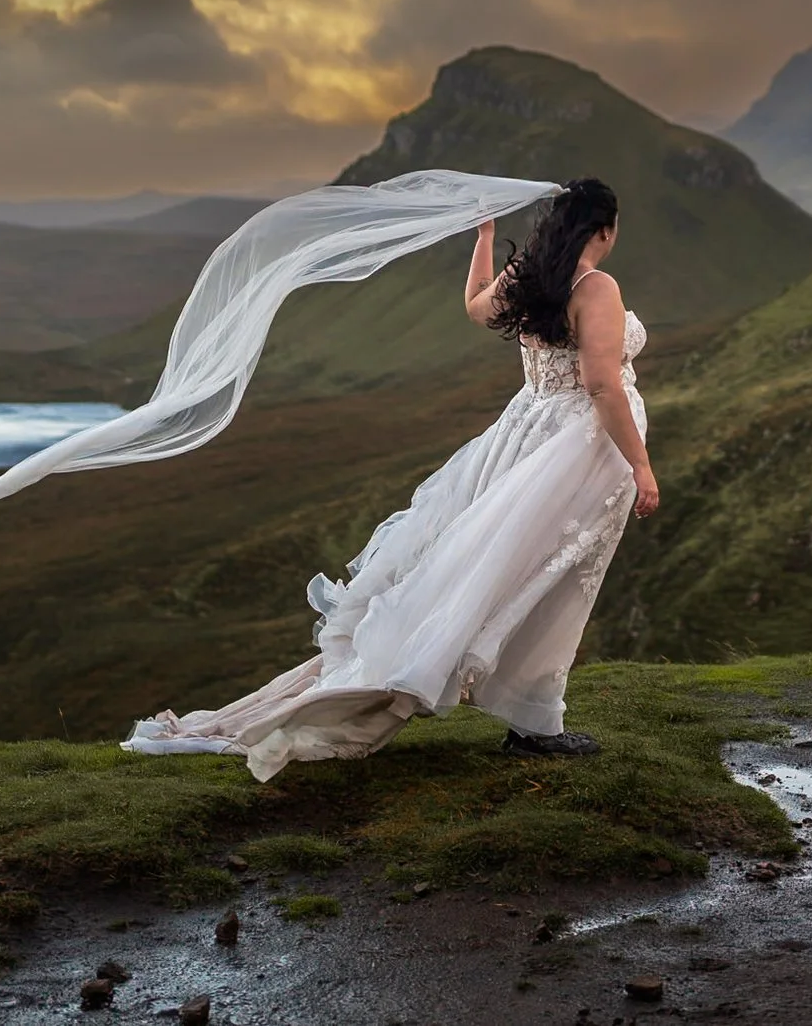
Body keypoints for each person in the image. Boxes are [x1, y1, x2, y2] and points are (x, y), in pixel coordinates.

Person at [120, 177, 661, 778]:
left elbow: (477, 307)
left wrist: (483, 239)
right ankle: (533, 721)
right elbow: (602, 385)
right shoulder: (595, 287)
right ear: (605, 229)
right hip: (569, 446)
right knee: (546, 578)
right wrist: (640, 465)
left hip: (522, 434)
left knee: (505, 570)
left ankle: (533, 716)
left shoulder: (532, 277)